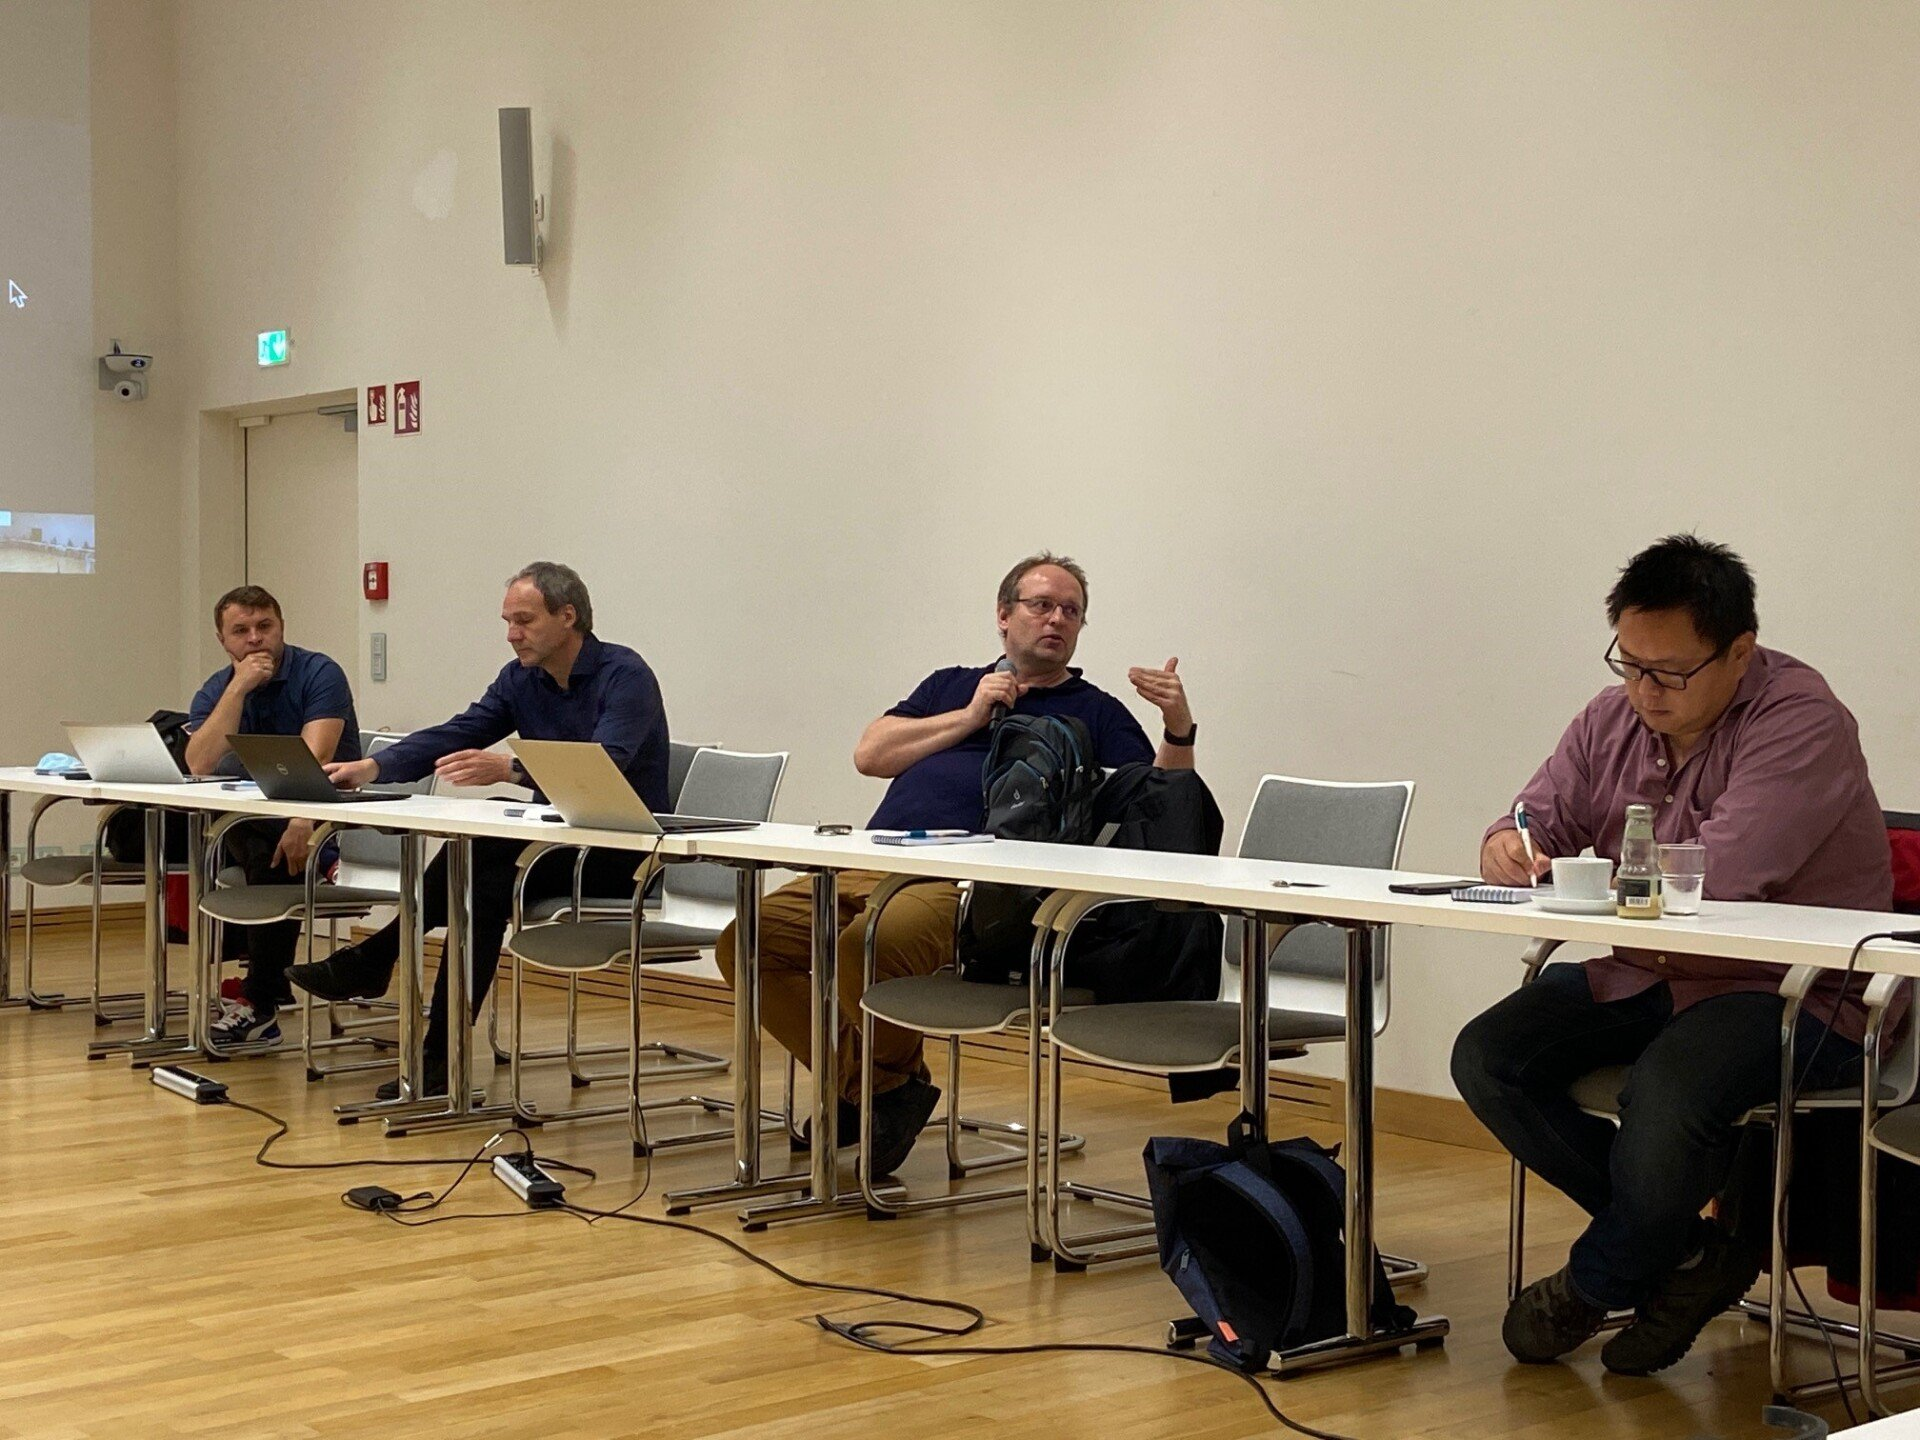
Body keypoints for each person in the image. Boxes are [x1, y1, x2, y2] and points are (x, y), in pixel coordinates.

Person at [1450, 534, 1893, 1376]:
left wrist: (1588, 875)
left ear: (1739, 652)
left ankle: (1596, 1280)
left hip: (1797, 992)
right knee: (1489, 1056)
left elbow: (1722, 873)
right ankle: (1692, 1252)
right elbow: (1537, 816)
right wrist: (1510, 845)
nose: (1644, 690)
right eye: (1630, 663)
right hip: (1652, 969)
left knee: (1669, 1088)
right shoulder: (1609, 717)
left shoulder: (1802, 720)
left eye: (1670, 672)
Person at [715, 551, 1199, 1175]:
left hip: (975, 886)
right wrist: (970, 716)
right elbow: (871, 755)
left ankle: (872, 1091)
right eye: (1042, 605)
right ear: (1004, 615)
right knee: (746, 943)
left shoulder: (1096, 711)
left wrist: (1178, 730)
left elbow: (1160, 806)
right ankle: (880, 1088)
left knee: (868, 946)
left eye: (1071, 611)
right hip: (874, 857)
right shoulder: (951, 685)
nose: (1057, 619)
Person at [287, 562, 669, 1099]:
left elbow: (605, 763)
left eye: (524, 620)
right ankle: (432, 1052)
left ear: (568, 616)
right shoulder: (521, 678)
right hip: (555, 845)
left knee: (480, 871)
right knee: (475, 870)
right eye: (508, 621)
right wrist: (373, 767)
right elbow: (461, 730)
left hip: (623, 855)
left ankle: (384, 974)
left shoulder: (625, 675)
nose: (512, 634)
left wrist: (510, 769)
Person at [182, 585, 362, 1048]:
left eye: (265, 627)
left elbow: (315, 761)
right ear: (223, 640)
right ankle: (261, 995)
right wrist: (238, 688)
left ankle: (260, 1002)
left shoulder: (319, 673)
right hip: (254, 822)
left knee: (269, 846)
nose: (255, 639)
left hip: (325, 815)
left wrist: (301, 822)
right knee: (230, 828)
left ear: (281, 628)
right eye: (240, 631)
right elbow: (199, 763)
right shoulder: (218, 688)